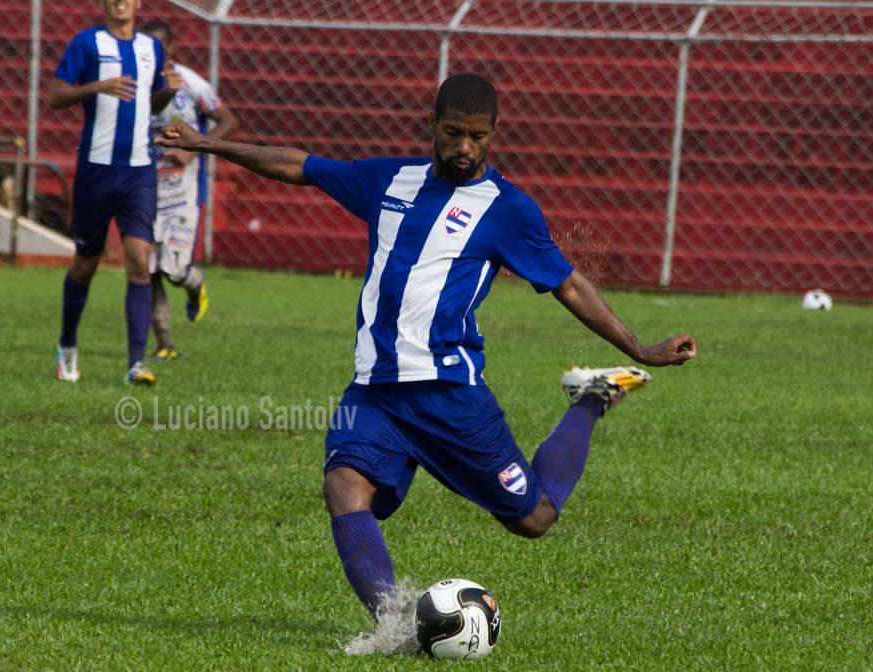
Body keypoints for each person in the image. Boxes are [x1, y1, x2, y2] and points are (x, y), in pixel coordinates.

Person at [155, 73, 698, 622]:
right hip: (374, 391)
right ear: (431, 125)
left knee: (532, 519)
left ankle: (591, 398)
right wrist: (208, 144)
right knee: (343, 487)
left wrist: (640, 348)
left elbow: (569, 283)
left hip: (448, 393)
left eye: (479, 137)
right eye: (455, 132)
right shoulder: (389, 179)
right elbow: (301, 165)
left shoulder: (506, 209)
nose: (466, 147)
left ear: (494, 133)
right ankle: (394, 626)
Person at [50, 0, 179, 386]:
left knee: (139, 259)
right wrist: (98, 87)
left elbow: (150, 101)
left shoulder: (151, 48)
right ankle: (67, 344)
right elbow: (57, 96)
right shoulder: (87, 43)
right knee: (86, 263)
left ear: (138, 4)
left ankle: (136, 364)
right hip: (96, 171)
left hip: (139, 170)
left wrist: (168, 93)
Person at [140, 18, 238, 360]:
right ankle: (164, 342)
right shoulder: (137, 82)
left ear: (170, 48)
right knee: (147, 268)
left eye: (159, 46)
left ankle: (195, 284)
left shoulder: (190, 82)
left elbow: (227, 120)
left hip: (182, 190)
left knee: (173, 269)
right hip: (143, 186)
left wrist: (194, 147)